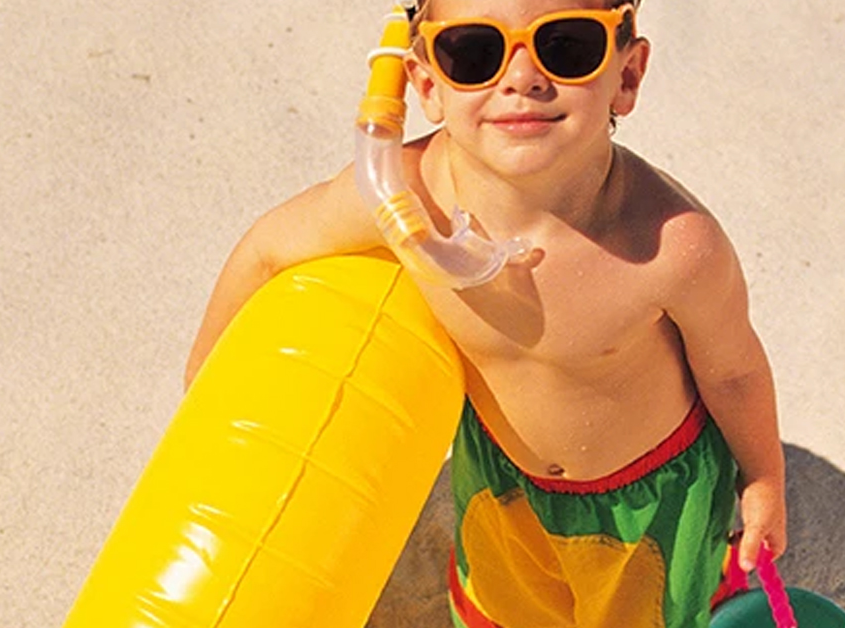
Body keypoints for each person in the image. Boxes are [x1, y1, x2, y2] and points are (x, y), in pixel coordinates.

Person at [186, 0, 786, 625]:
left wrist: (765, 482)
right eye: (473, 52)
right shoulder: (405, 199)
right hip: (502, 478)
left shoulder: (670, 246)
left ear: (627, 76)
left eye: (567, 46)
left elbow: (734, 372)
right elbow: (266, 251)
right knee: (506, 607)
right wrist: (201, 397)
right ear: (426, 86)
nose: (521, 78)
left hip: (650, 496)